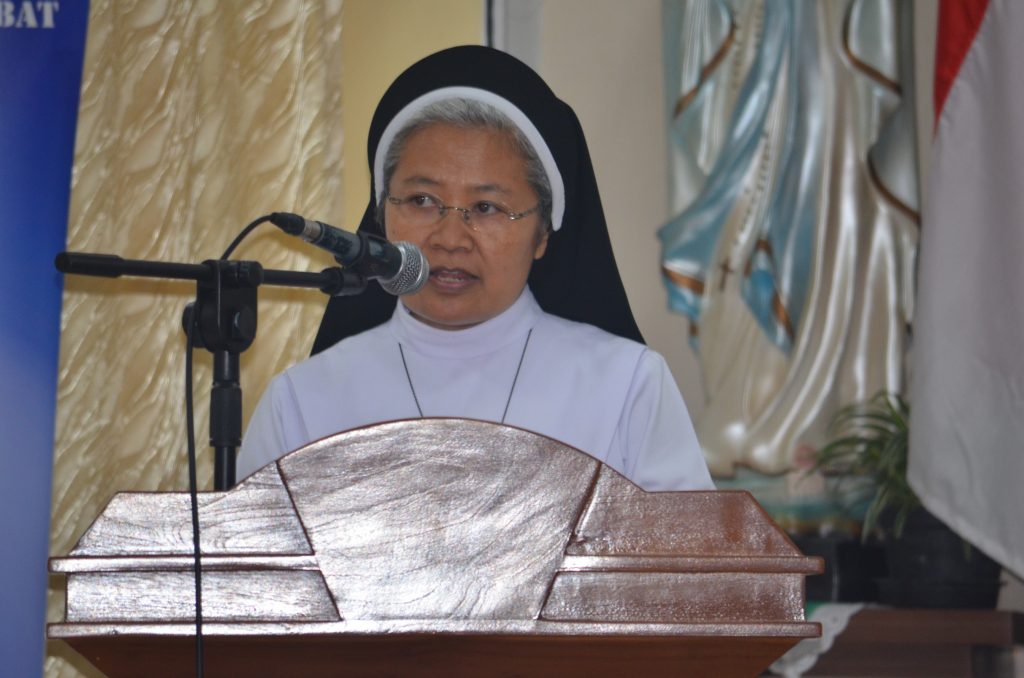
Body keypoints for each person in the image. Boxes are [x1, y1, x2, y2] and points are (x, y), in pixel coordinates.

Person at [237, 46, 713, 491]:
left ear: (543, 234)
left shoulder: (626, 387)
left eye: (486, 207)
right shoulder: (303, 402)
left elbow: (692, 552)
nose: (450, 238)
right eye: (422, 201)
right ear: (382, 216)